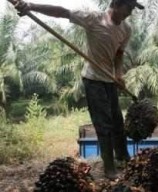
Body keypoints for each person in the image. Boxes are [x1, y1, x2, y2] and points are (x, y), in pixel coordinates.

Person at [14, 0, 145, 179]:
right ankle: (109, 168)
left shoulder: (126, 29)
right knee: (104, 124)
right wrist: (31, 6)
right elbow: (62, 12)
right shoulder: (93, 19)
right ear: (116, 3)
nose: (130, 12)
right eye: (128, 7)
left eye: (132, 8)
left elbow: (119, 53)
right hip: (93, 80)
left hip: (110, 80)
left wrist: (119, 74)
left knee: (117, 121)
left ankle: (122, 156)